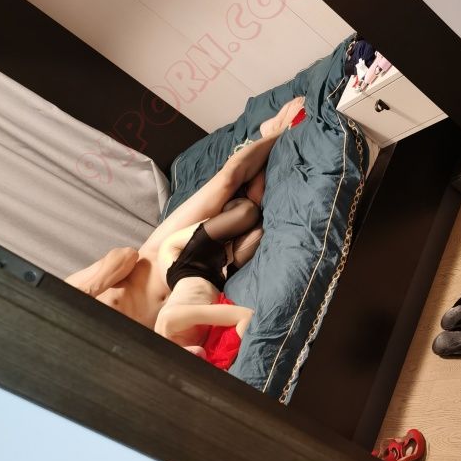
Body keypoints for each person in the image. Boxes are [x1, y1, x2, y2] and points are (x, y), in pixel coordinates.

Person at [65, 96, 305, 329]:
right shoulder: (94, 344)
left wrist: (90, 292)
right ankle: (264, 145)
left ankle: (275, 132)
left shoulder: (69, 294)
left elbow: (126, 256)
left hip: (160, 253)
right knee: (255, 214)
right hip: (193, 282)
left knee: (227, 181)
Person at [153, 196, 261, 368]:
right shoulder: (201, 361)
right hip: (219, 281)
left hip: (189, 266)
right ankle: (225, 232)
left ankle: (227, 210)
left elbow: (245, 315)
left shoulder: (170, 321)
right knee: (260, 234)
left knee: (248, 211)